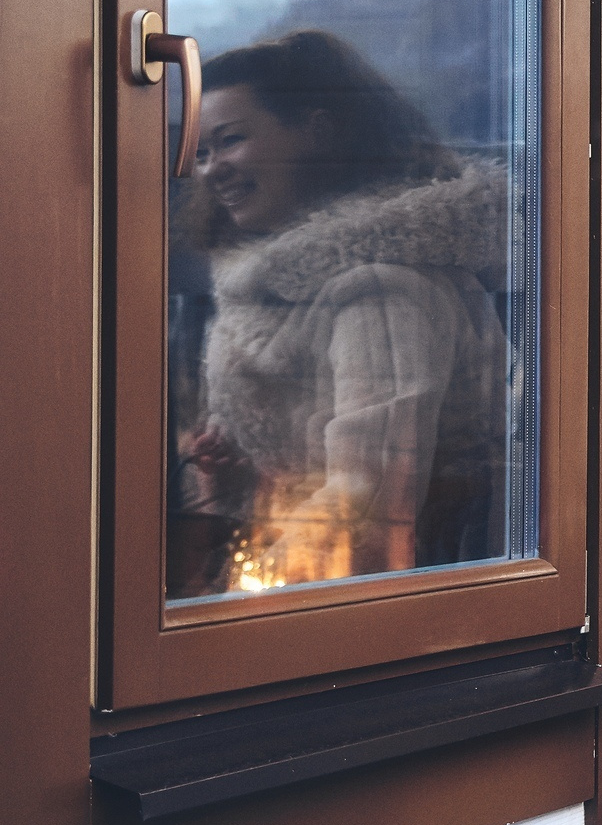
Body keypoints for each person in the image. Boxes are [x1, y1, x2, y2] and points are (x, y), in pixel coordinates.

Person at [172, 29, 509, 595]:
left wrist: (233, 607)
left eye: (230, 141)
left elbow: (365, 504)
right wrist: (235, 472)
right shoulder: (280, 286)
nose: (210, 170)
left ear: (319, 132)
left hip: (381, 602)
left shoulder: (382, 291)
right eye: (200, 152)